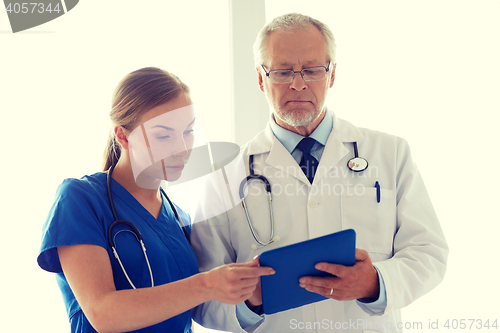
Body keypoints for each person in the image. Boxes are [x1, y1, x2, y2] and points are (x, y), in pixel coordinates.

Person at [190, 13, 449, 333]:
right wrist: (249, 300)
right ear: (261, 78)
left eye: (312, 70)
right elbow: (200, 293)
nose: (297, 83)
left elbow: (429, 253)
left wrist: (376, 283)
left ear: (332, 74)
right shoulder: (224, 176)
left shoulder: (390, 153)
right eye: (282, 71)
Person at [37, 67, 274, 333]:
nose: (183, 148)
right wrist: (206, 284)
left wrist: (250, 297)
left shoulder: (180, 218)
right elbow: (103, 314)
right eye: (163, 135)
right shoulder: (80, 200)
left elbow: (193, 310)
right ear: (123, 136)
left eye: (188, 131)